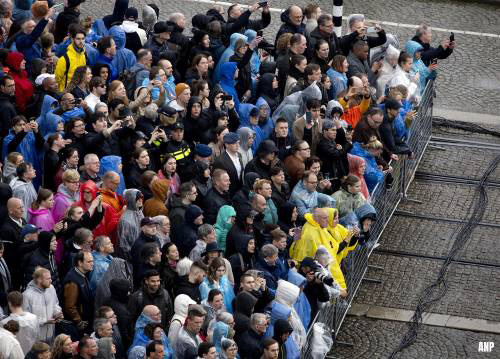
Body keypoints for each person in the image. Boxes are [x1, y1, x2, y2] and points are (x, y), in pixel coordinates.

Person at [22, 267, 63, 343]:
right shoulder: (26, 295)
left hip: (51, 335)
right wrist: (44, 321)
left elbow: (55, 304)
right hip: (36, 340)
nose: (51, 281)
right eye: (48, 279)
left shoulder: (51, 288)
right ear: (39, 279)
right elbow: (26, 319)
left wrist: (57, 313)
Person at [63, 251, 95, 337]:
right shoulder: (72, 281)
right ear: (80, 263)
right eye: (89, 262)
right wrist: (79, 321)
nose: (92, 264)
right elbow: (70, 306)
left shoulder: (82, 274)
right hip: (76, 326)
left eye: (92, 261)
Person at [55, 25, 88, 92]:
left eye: (83, 38)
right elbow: (56, 79)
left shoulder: (84, 54)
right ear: (72, 39)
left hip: (78, 91)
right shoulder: (65, 59)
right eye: (78, 39)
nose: (81, 41)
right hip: (66, 94)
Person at [212, 132, 243, 197]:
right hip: (228, 193)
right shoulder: (220, 161)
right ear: (226, 145)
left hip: (238, 192)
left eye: (238, 142)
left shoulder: (239, 155)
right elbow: (218, 180)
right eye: (234, 143)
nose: (238, 145)